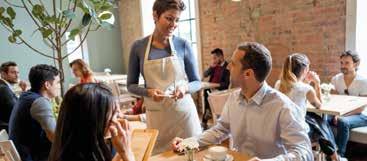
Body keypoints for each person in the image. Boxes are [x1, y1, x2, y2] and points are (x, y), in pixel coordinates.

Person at [172, 42, 313, 161]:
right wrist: (189, 142)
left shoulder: (282, 106)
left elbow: (304, 151)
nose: (228, 67)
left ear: (248, 74)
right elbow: (220, 130)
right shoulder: (234, 98)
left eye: (233, 64)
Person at [127, 0, 202, 154]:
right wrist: (148, 92)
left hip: (184, 118)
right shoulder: (138, 47)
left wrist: (185, 88)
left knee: (190, 155)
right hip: (157, 119)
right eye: (169, 18)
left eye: (177, 20)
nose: (173, 24)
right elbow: (131, 85)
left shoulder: (183, 45)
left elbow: (197, 82)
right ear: (155, 15)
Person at [275, 53, 345, 161]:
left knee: (315, 121)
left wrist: (306, 82)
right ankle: (335, 156)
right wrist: (317, 83)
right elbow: (319, 105)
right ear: (304, 70)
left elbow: (295, 92)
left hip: (280, 126)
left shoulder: (279, 84)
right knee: (320, 122)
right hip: (297, 129)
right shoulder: (306, 88)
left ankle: (333, 156)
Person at [49, 83, 135, 161]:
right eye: (114, 113)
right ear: (94, 120)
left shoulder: (76, 148)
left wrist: (121, 151)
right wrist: (126, 152)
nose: (120, 116)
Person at [8, 64, 59, 161]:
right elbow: (55, 137)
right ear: (47, 85)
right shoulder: (40, 102)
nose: (58, 86)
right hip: (30, 156)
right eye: (57, 83)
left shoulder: (26, 96)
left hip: (23, 152)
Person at [329, 50, 367, 157]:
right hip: (341, 113)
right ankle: (328, 150)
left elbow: (361, 108)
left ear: (356, 64)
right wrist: (336, 114)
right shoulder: (336, 79)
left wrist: (341, 115)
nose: (343, 66)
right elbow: (334, 101)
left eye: (347, 63)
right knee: (322, 118)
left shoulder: (363, 81)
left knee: (343, 122)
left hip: (363, 115)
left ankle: (339, 156)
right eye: (341, 63)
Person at [202, 48, 230, 129]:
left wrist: (214, 85)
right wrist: (211, 67)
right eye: (212, 58)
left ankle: (206, 117)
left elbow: (226, 84)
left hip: (220, 91)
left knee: (208, 93)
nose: (213, 60)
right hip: (211, 89)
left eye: (215, 58)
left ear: (220, 57)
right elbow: (204, 75)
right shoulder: (214, 66)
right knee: (206, 90)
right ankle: (207, 113)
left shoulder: (227, 67)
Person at [0, 61, 27, 131]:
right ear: (3, 74)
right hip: (7, 130)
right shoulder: (3, 88)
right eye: (13, 72)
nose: (17, 75)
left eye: (17, 72)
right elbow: (17, 111)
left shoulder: (5, 87)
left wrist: (23, 91)